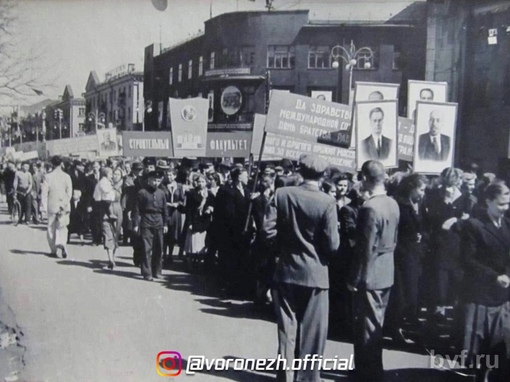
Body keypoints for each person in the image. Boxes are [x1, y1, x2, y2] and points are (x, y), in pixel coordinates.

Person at [263, 154, 340, 382]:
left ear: (300, 172)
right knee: (313, 334)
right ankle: (307, 378)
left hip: (286, 270)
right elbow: (333, 245)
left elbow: (267, 231)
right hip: (316, 274)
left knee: (287, 329)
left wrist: (283, 250)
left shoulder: (282, 194)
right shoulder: (327, 202)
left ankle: (285, 377)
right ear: (323, 175)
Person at [348, 160, 400, 382]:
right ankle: (372, 369)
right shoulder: (392, 203)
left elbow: (364, 249)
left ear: (364, 179)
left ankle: (367, 373)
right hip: (386, 270)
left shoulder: (369, 208)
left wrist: (356, 277)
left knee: (366, 327)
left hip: (370, 274)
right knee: (375, 324)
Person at [460, 181, 510, 382]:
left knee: (500, 341)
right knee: (478, 342)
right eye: (501, 204)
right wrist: (494, 276)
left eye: (507, 204)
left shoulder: (507, 224)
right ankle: (479, 375)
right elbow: (467, 259)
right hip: (481, 293)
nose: (505, 209)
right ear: (487, 201)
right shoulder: (474, 225)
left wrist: (506, 273)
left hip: (503, 294)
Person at [132, 170, 169, 281]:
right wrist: (136, 224)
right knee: (146, 248)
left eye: (158, 180)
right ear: (149, 180)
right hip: (146, 221)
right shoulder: (142, 193)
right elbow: (136, 210)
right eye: (154, 180)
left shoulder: (161, 193)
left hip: (158, 222)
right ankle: (147, 273)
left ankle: (157, 271)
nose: (156, 183)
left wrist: (165, 223)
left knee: (159, 248)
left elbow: (165, 210)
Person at [40, 155, 73, 259]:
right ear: (61, 164)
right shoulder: (67, 176)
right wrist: (64, 203)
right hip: (64, 205)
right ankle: (62, 243)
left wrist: (44, 207)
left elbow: (44, 193)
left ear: (52, 164)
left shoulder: (47, 176)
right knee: (63, 226)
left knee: (51, 227)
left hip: (52, 205)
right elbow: (69, 192)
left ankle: (53, 250)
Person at [183, 173, 214, 268]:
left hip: (204, 221)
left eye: (203, 181)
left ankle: (200, 262)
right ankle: (190, 262)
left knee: (202, 242)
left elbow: (213, 204)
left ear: (206, 182)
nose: (200, 183)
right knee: (193, 243)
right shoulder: (191, 194)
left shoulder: (209, 194)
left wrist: (210, 208)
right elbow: (188, 210)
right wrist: (189, 223)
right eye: (199, 181)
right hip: (194, 220)